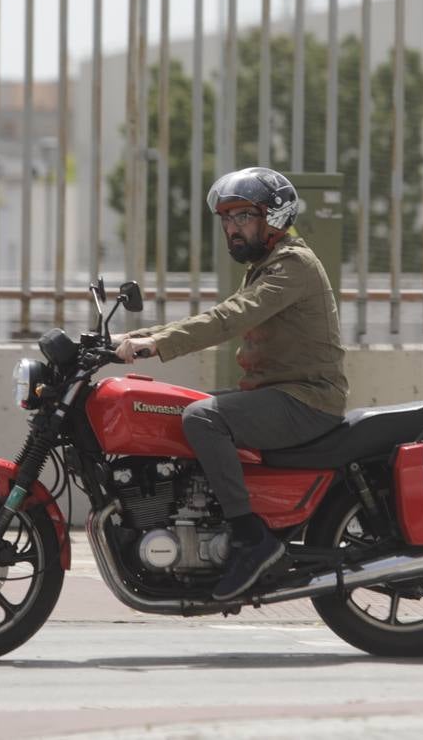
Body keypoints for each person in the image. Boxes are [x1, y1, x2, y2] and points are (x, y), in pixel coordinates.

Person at [114, 167, 348, 601]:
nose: (232, 229)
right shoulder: (265, 266)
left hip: (307, 400)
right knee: (174, 407)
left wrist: (155, 346)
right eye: (226, 219)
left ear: (274, 217)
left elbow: (228, 320)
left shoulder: (293, 265)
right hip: (277, 394)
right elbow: (219, 313)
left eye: (242, 217)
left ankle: (249, 537)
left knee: (202, 419)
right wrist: (128, 340)